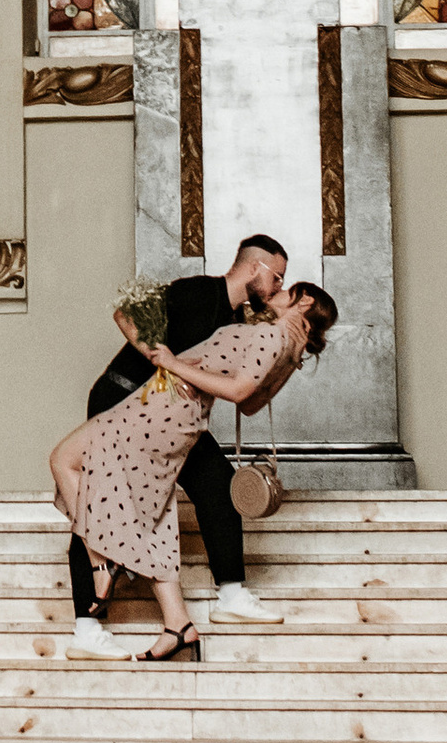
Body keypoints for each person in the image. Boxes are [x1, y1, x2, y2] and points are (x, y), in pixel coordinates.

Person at [60, 284, 339, 663]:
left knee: (65, 461)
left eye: (287, 287)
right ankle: (178, 626)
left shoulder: (272, 334)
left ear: (304, 301)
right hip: (176, 412)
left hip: (161, 409)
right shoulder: (286, 346)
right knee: (151, 512)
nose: (278, 289)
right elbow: (254, 403)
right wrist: (290, 359)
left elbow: (241, 393)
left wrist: (171, 363)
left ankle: (104, 558)